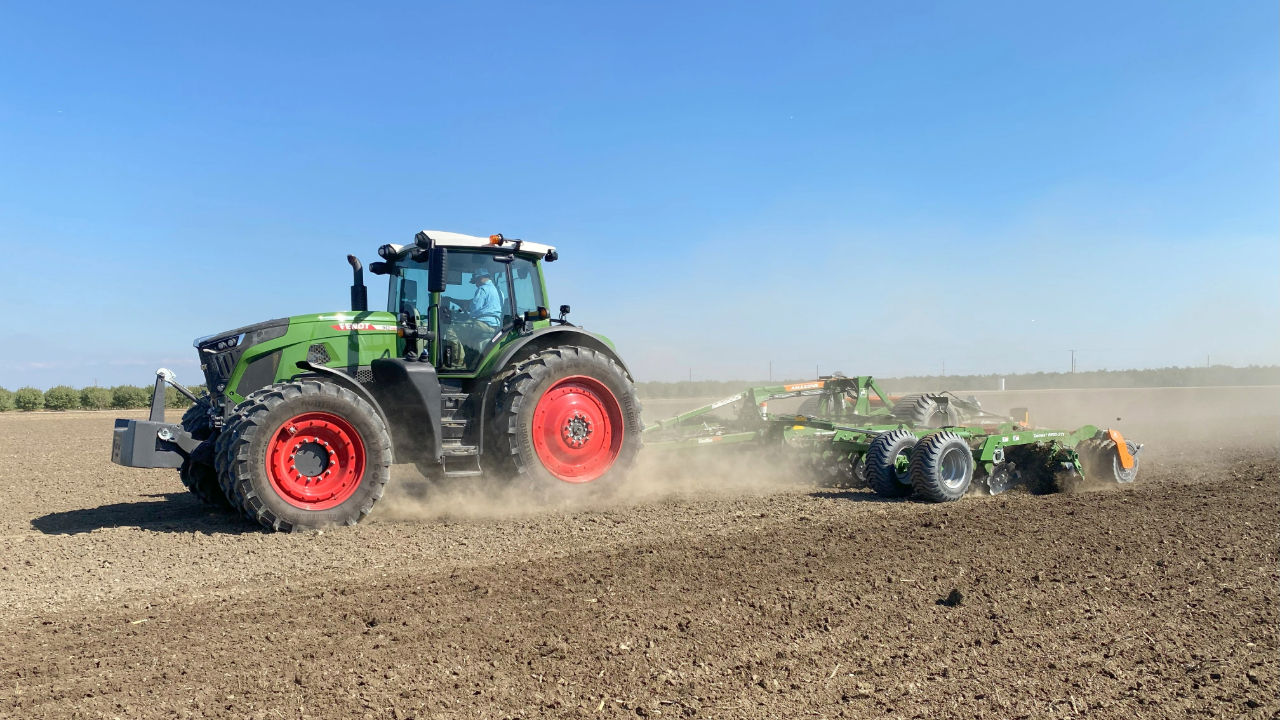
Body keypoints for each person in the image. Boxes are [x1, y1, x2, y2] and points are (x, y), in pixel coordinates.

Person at [444, 268, 504, 368]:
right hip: (494, 325)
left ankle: (458, 362)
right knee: (465, 333)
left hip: (481, 324)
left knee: (451, 330)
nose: (476, 284)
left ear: (480, 278)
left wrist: (465, 306)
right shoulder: (498, 291)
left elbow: (474, 306)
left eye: (475, 281)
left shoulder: (483, 289)